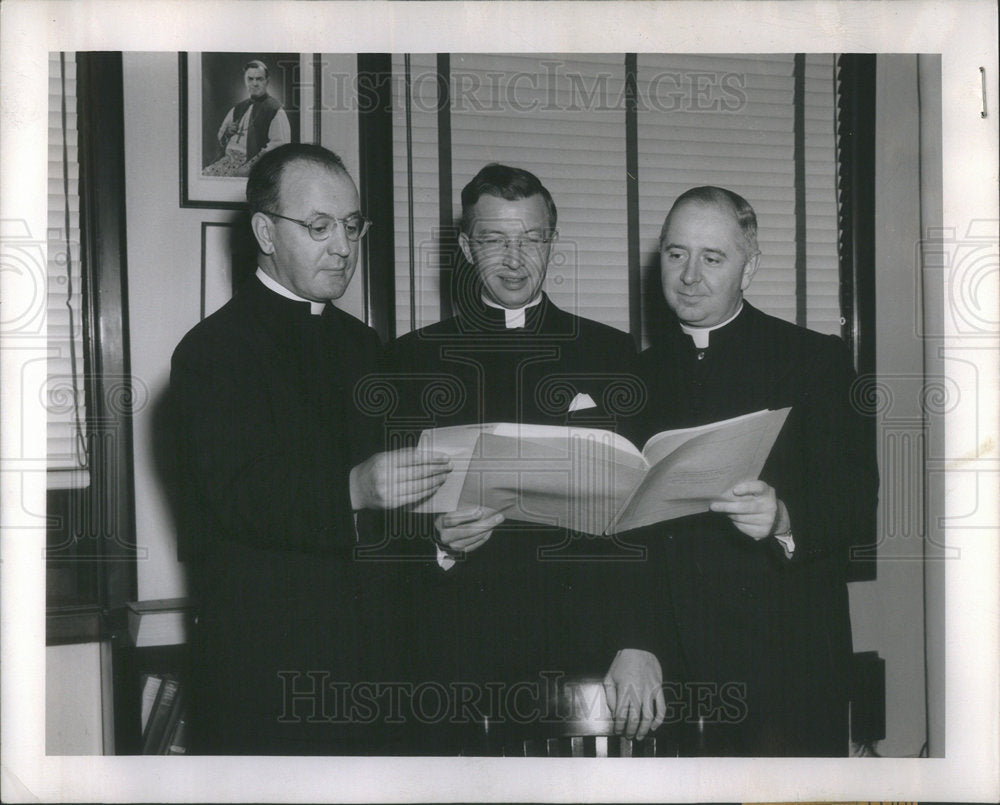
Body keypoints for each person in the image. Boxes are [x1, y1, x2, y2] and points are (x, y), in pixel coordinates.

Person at [171, 143, 452, 754]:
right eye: (319, 227)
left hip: (379, 675)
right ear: (266, 232)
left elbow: (392, 503)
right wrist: (354, 488)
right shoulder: (211, 352)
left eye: (352, 226)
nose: (344, 247)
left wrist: (440, 538)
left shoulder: (366, 347)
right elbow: (238, 497)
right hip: (271, 681)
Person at [382, 164, 667, 753]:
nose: (514, 259)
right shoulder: (410, 361)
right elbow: (379, 526)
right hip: (458, 654)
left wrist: (639, 639)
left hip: (589, 648)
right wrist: (436, 541)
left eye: (531, 239)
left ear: (552, 243)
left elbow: (646, 515)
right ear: (465, 247)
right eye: (493, 240)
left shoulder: (611, 353)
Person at [626, 186, 879, 756]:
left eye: (712, 258)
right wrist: (633, 642)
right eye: (675, 254)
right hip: (677, 675)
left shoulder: (815, 360)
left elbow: (859, 503)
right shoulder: (634, 376)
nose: (689, 275)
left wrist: (785, 516)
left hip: (789, 672)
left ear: (749, 267)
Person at [203, 59, 291, 177]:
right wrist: (228, 133)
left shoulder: (275, 110)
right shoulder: (238, 108)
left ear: (267, 81)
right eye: (250, 79)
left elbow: (280, 145)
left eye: (259, 79)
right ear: (245, 81)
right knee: (205, 175)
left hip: (253, 166)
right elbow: (220, 135)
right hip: (227, 161)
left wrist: (250, 166)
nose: (254, 83)